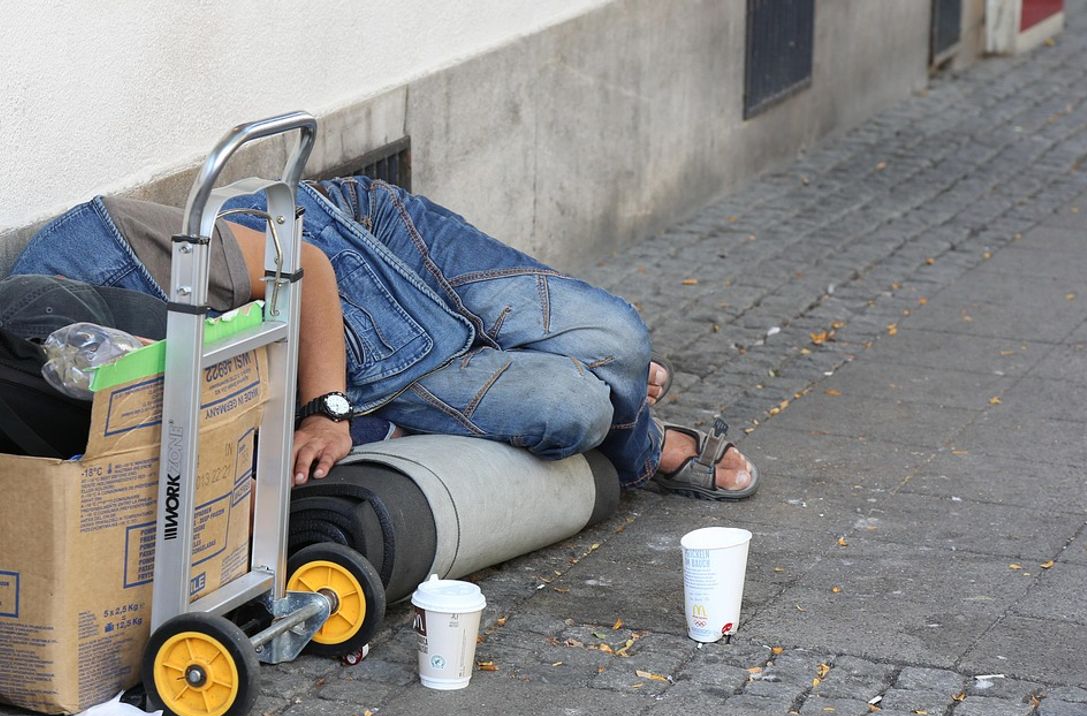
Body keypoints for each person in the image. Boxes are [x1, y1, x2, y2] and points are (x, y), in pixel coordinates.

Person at [9, 177, 758, 499]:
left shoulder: (86, 253)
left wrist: (326, 411)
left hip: (358, 243)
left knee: (618, 335)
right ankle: (619, 406)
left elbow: (305, 265)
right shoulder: (36, 406)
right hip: (368, 369)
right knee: (574, 407)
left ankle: (640, 439)